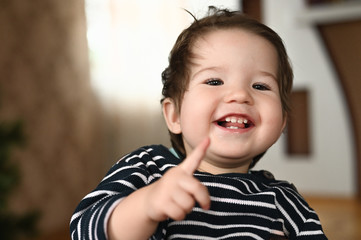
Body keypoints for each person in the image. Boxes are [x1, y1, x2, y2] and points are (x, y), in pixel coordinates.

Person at [70, 7, 327, 240]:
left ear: (281, 122)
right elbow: (84, 230)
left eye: (260, 86)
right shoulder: (148, 168)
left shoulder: (282, 199)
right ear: (174, 116)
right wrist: (145, 206)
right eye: (214, 81)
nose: (240, 95)